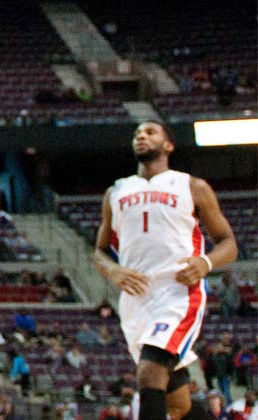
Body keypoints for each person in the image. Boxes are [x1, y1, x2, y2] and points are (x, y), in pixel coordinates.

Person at [93, 121, 238, 420]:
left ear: (168, 145)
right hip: (135, 301)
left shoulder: (191, 186)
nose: (141, 137)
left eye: (150, 132)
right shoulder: (116, 192)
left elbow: (228, 243)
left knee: (149, 374)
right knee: (178, 404)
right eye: (137, 134)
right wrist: (114, 272)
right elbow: (100, 251)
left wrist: (205, 262)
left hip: (177, 295)